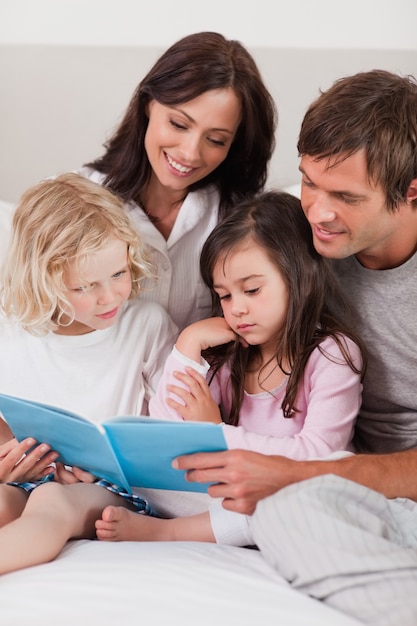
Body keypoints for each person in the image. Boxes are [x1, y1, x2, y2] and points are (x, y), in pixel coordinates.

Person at [171, 70, 417, 625]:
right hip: (341, 490)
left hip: (365, 484)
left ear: (410, 190)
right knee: (281, 516)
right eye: (308, 182)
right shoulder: (295, 243)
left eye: (347, 197)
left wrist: (295, 477)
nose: (318, 212)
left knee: (288, 511)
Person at [94, 190, 366, 546]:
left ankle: (166, 532)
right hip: (228, 494)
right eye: (225, 296)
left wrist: (216, 432)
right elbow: (165, 435)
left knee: (301, 496)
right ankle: (203, 524)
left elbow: (319, 455)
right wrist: (188, 344)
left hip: (292, 491)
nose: (236, 308)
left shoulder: (332, 354)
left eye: (251, 290)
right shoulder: (231, 355)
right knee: (141, 476)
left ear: (300, 277)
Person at [0, 173, 178, 574]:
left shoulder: (146, 326)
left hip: (108, 491)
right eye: (86, 286)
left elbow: (169, 436)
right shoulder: (9, 328)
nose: (110, 295)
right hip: (27, 479)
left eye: (119, 274)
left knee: (52, 504)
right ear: (43, 280)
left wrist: (98, 472)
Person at [77, 31, 277, 332]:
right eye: (179, 124)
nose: (190, 153)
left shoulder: (242, 219)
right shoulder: (81, 198)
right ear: (148, 104)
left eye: (216, 140)